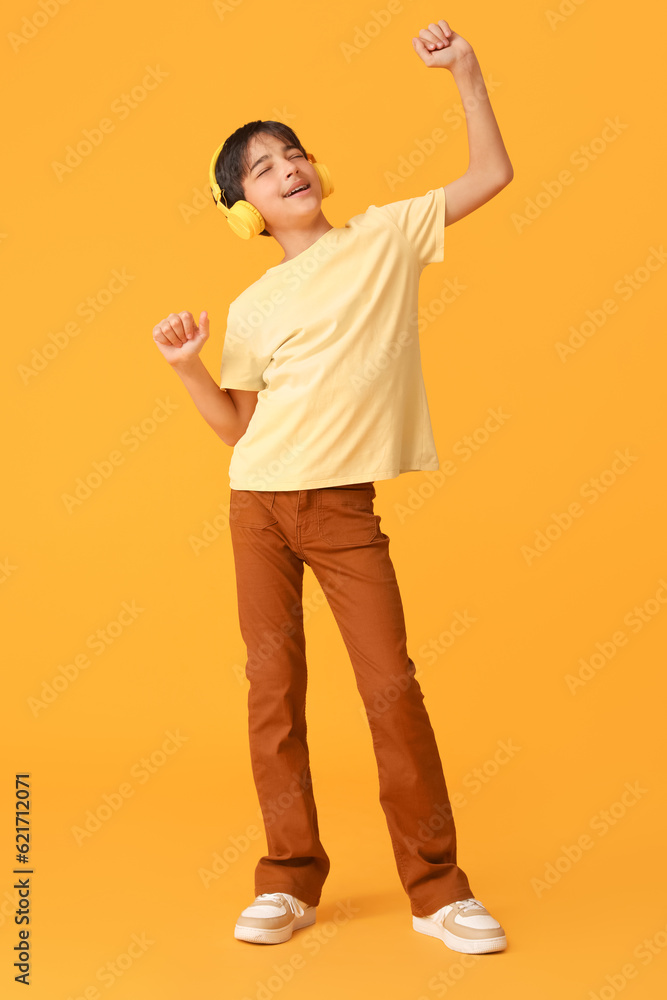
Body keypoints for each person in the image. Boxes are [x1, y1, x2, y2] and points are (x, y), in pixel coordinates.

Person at [152, 18, 513, 955]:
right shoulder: (253, 305)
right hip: (257, 508)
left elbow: (489, 177)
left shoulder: (387, 235)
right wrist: (192, 369)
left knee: (389, 688)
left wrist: (465, 73)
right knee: (272, 693)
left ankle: (437, 891)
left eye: (293, 154)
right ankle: (289, 879)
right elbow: (237, 426)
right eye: (263, 169)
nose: (287, 170)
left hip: (342, 513)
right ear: (246, 210)